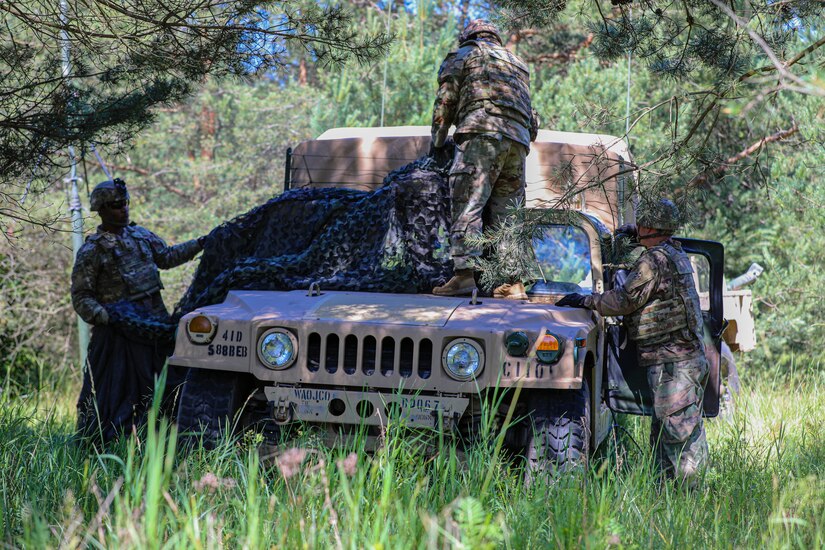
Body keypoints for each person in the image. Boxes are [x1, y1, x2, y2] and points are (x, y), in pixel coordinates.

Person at [556, 198, 709, 485]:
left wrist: (585, 300)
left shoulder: (654, 260)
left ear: (650, 225)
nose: (637, 228)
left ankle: (690, 500)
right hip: (679, 360)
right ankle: (669, 497)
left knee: (679, 433)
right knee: (668, 432)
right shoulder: (674, 252)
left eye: (641, 224)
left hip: (673, 363)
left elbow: (624, 300)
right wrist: (634, 235)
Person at [71, 178, 205, 445]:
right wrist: (105, 316)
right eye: (117, 205)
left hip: (154, 326)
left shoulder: (141, 235)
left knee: (163, 386)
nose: (124, 209)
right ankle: (112, 444)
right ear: (102, 209)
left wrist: (201, 243)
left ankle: (160, 441)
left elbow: (167, 257)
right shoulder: (92, 250)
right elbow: (82, 296)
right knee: (114, 394)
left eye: (125, 203)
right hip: (117, 337)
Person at [430, 19, 538, 299]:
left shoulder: (464, 54)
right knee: (509, 216)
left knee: (469, 202)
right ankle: (514, 283)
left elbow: (446, 100)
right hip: (517, 142)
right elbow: (531, 117)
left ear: (468, 36)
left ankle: (464, 276)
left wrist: (438, 140)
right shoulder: (518, 64)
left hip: (481, 134)